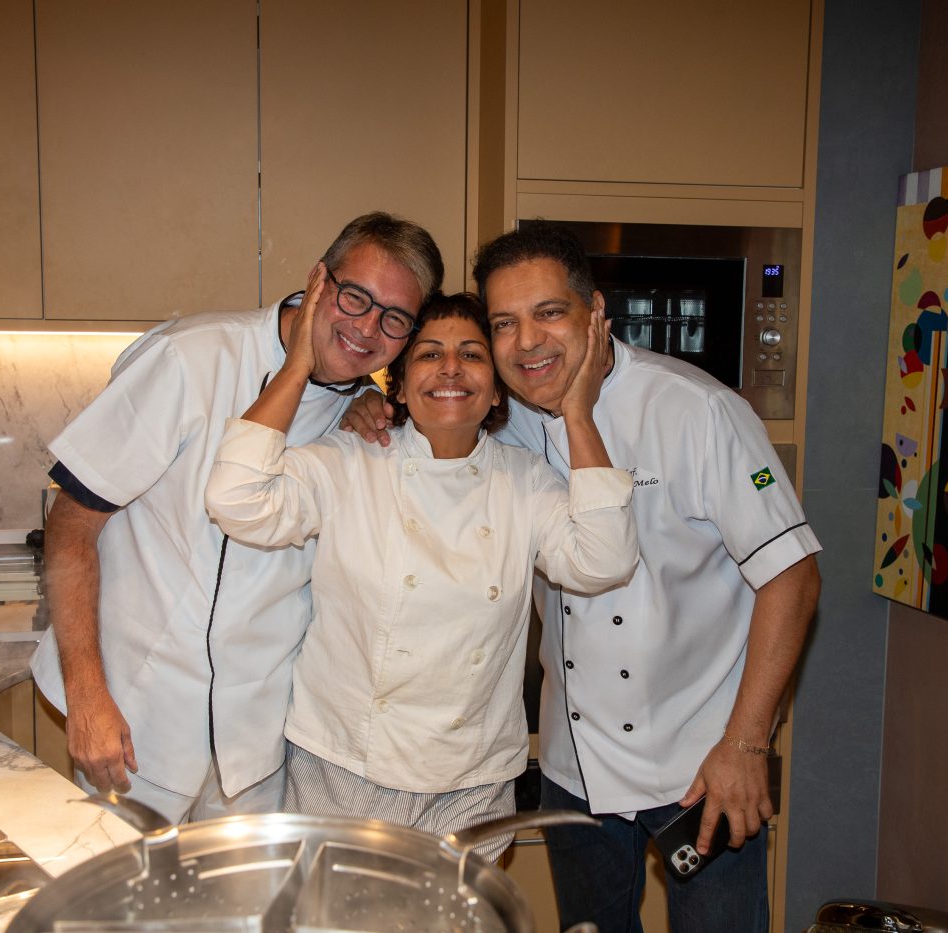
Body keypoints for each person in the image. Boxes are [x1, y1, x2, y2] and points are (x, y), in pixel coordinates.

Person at [345, 224, 821, 932]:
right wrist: (368, 406)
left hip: (702, 762)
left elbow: (793, 574)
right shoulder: (500, 420)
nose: (526, 342)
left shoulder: (697, 411)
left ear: (595, 314)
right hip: (576, 768)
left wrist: (747, 744)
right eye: (503, 323)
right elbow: (430, 424)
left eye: (549, 313)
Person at [30, 212, 443, 824]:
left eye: (395, 319)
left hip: (258, 749)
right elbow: (71, 531)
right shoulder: (190, 359)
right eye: (355, 297)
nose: (367, 329)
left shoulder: (364, 417)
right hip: (134, 723)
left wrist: (363, 401)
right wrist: (86, 695)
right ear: (319, 281)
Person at [204, 285, 638, 860]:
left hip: (473, 779)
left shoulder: (525, 481)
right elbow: (236, 499)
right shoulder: (351, 460)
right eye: (430, 353)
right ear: (401, 385)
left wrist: (577, 413)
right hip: (345, 767)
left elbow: (604, 561)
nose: (451, 369)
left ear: (496, 388)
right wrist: (300, 363)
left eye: (473, 354)